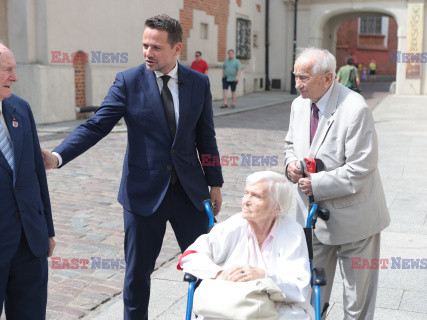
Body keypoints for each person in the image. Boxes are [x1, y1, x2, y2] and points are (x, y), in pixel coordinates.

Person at [41, 14, 224, 320]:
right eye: (144, 45)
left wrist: (215, 182)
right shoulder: (128, 81)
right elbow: (96, 126)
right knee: (137, 276)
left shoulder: (199, 83)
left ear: (177, 48)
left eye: (156, 47)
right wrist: (58, 156)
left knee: (205, 267)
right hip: (143, 196)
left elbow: (206, 138)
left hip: (190, 194)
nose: (148, 52)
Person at [284, 47, 390, 320]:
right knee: (312, 293)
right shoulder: (298, 105)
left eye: (304, 78)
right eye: (296, 76)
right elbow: (290, 145)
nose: (298, 84)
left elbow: (361, 168)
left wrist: (316, 183)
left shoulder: (355, 108)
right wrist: (290, 165)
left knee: (357, 301)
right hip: (312, 218)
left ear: (329, 78)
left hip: (355, 218)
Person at [178, 171, 314, 320]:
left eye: (256, 196)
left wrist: (265, 277)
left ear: (276, 208)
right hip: (234, 304)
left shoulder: (292, 232)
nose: (246, 201)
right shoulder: (235, 224)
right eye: (246, 193)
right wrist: (219, 274)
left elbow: (300, 289)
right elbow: (191, 255)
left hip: (279, 306)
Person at [0, 43, 55, 319]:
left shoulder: (20, 108)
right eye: (8, 69)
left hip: (29, 243)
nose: (15, 77)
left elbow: (35, 172)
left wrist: (47, 227)